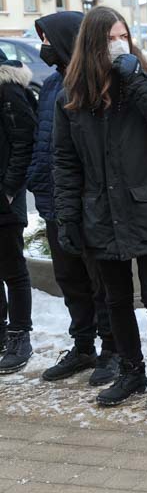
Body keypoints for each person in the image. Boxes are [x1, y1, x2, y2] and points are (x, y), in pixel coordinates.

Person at [53, 6, 147, 421]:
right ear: (93, 43)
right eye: (110, 38)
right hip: (101, 212)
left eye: (123, 36)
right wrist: (67, 218)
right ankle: (132, 371)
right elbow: (65, 161)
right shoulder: (71, 95)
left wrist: (135, 80)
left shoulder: (143, 83)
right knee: (115, 299)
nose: (118, 44)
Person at [27, 11, 119, 385]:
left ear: (67, 39)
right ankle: (83, 345)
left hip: (89, 205)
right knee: (70, 278)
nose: (43, 47)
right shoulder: (52, 84)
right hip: (55, 202)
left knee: (101, 282)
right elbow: (45, 143)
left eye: (47, 39)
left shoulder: (95, 85)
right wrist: (37, 179)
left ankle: (113, 349)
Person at [0, 48, 37, 374]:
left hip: (4, 201)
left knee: (13, 270)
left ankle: (19, 334)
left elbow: (25, 140)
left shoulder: (9, 90)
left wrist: (9, 189)